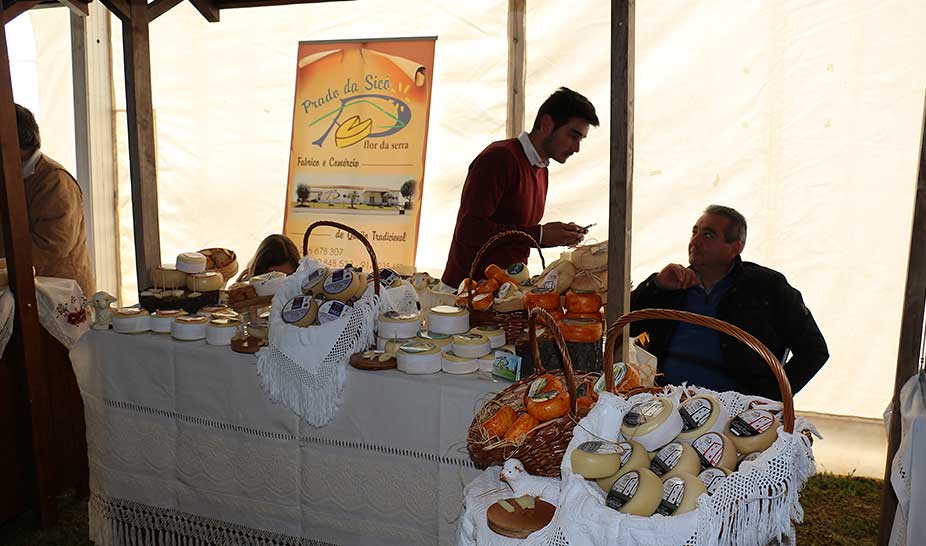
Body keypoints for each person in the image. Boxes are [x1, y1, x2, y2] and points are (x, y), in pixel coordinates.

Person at [629, 205, 828, 400]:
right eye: (694, 232)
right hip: (665, 402)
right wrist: (656, 285)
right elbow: (624, 326)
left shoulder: (766, 287)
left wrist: (773, 398)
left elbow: (813, 350)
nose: (695, 241)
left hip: (733, 414)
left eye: (708, 235)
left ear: (734, 248)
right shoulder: (673, 282)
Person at [440, 87, 599, 290]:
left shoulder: (542, 170)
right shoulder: (499, 158)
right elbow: (469, 231)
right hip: (466, 294)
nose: (576, 148)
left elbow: (516, 231)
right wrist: (539, 235)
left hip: (505, 292)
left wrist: (553, 235)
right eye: (573, 136)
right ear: (547, 124)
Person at [0, 104, 94, 295]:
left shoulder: (54, 180)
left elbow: (53, 244)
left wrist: (4, 260)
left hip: (59, 294)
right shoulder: (10, 174)